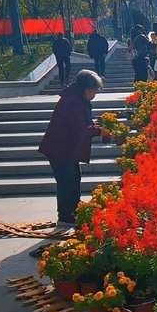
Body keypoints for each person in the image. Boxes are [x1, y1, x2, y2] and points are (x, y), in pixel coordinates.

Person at [39, 70, 103, 231]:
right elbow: (81, 128)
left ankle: (74, 213)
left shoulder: (76, 98)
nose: (94, 94)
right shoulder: (73, 101)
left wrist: (97, 126)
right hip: (60, 148)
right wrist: (100, 131)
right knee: (67, 182)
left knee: (73, 179)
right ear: (85, 88)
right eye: (93, 90)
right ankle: (66, 217)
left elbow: (83, 123)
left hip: (66, 148)